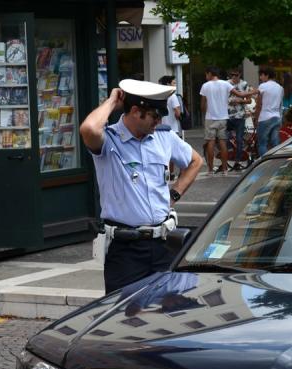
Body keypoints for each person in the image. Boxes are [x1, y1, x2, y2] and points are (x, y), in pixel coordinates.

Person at [79, 78, 203, 294]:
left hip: (165, 244)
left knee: (169, 312)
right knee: (125, 316)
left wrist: (173, 194)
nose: (157, 121)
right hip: (126, 250)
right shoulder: (109, 140)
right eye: (154, 116)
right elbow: (88, 128)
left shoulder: (163, 137)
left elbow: (195, 161)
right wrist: (112, 101)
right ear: (135, 111)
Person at [199, 66, 235, 176]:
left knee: (210, 142)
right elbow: (238, 94)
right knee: (223, 143)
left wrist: (205, 113)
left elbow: (202, 104)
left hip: (210, 118)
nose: (206, 77)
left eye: (206, 74)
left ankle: (210, 170)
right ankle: (225, 169)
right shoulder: (226, 84)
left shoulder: (205, 86)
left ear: (210, 74)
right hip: (223, 117)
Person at [226, 68, 253, 170]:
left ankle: (237, 161)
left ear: (240, 75)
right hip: (227, 115)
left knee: (239, 139)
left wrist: (240, 101)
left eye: (236, 75)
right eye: (232, 74)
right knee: (224, 138)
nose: (234, 77)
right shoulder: (226, 83)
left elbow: (250, 100)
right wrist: (230, 101)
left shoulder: (244, 84)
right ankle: (226, 157)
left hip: (240, 116)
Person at [254, 66, 283, 158]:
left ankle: (264, 164)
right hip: (277, 117)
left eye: (261, 75)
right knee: (275, 144)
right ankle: (277, 163)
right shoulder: (280, 88)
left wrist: (256, 119)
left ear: (266, 75)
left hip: (265, 117)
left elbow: (259, 105)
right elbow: (280, 105)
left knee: (262, 143)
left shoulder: (262, 86)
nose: (260, 78)